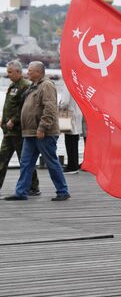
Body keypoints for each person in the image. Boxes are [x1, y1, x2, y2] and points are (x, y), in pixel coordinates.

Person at [4, 61, 71, 202]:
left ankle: (63, 191)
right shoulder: (34, 86)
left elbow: (50, 108)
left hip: (43, 133)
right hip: (29, 133)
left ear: (39, 72)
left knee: (51, 162)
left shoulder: (46, 85)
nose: (27, 73)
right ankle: (21, 192)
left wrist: (42, 127)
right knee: (26, 162)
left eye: (30, 70)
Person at [0, 60, 40, 196]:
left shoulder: (25, 86)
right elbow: (10, 105)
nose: (8, 75)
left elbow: (25, 107)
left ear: (18, 71)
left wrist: (14, 120)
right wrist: (4, 119)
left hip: (19, 131)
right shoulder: (13, 85)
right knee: (2, 158)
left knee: (25, 160)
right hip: (8, 130)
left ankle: (33, 187)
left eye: (10, 72)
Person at [58, 87, 83, 174]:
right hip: (77, 113)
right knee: (75, 140)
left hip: (69, 114)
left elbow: (65, 101)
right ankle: (74, 164)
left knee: (69, 141)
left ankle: (72, 166)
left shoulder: (67, 84)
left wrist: (59, 106)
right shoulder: (75, 82)